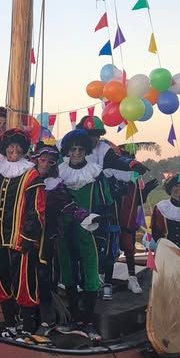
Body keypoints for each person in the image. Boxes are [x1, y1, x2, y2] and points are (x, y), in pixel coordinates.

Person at [77, 115, 154, 295]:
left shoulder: (104, 150)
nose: (93, 138)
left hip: (101, 200)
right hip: (78, 200)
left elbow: (118, 161)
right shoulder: (74, 148)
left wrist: (132, 164)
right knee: (78, 240)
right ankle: (79, 280)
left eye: (96, 134)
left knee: (107, 240)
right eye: (90, 134)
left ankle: (105, 283)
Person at [30, 142, 99, 333]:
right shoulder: (25, 178)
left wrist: (86, 217)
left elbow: (67, 204)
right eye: (42, 160)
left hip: (52, 235)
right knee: (27, 274)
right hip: (26, 235)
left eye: (50, 162)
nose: (45, 164)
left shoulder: (56, 185)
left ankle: (58, 320)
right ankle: (27, 319)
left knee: (47, 275)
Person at [57, 129, 118, 336]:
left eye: (80, 149)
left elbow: (107, 203)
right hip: (64, 231)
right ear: (67, 151)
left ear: (86, 150)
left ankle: (88, 322)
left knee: (91, 273)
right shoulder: (59, 172)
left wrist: (100, 225)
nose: (76, 152)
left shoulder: (95, 173)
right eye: (73, 149)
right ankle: (74, 319)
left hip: (88, 231)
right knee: (68, 272)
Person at [0, 127, 44, 338]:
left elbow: (37, 209)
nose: (14, 150)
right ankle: (10, 324)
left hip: (21, 239)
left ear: (24, 149)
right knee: (2, 280)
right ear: (4, 148)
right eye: (10, 146)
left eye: (18, 147)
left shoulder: (31, 174)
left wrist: (29, 236)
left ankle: (27, 327)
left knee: (25, 282)